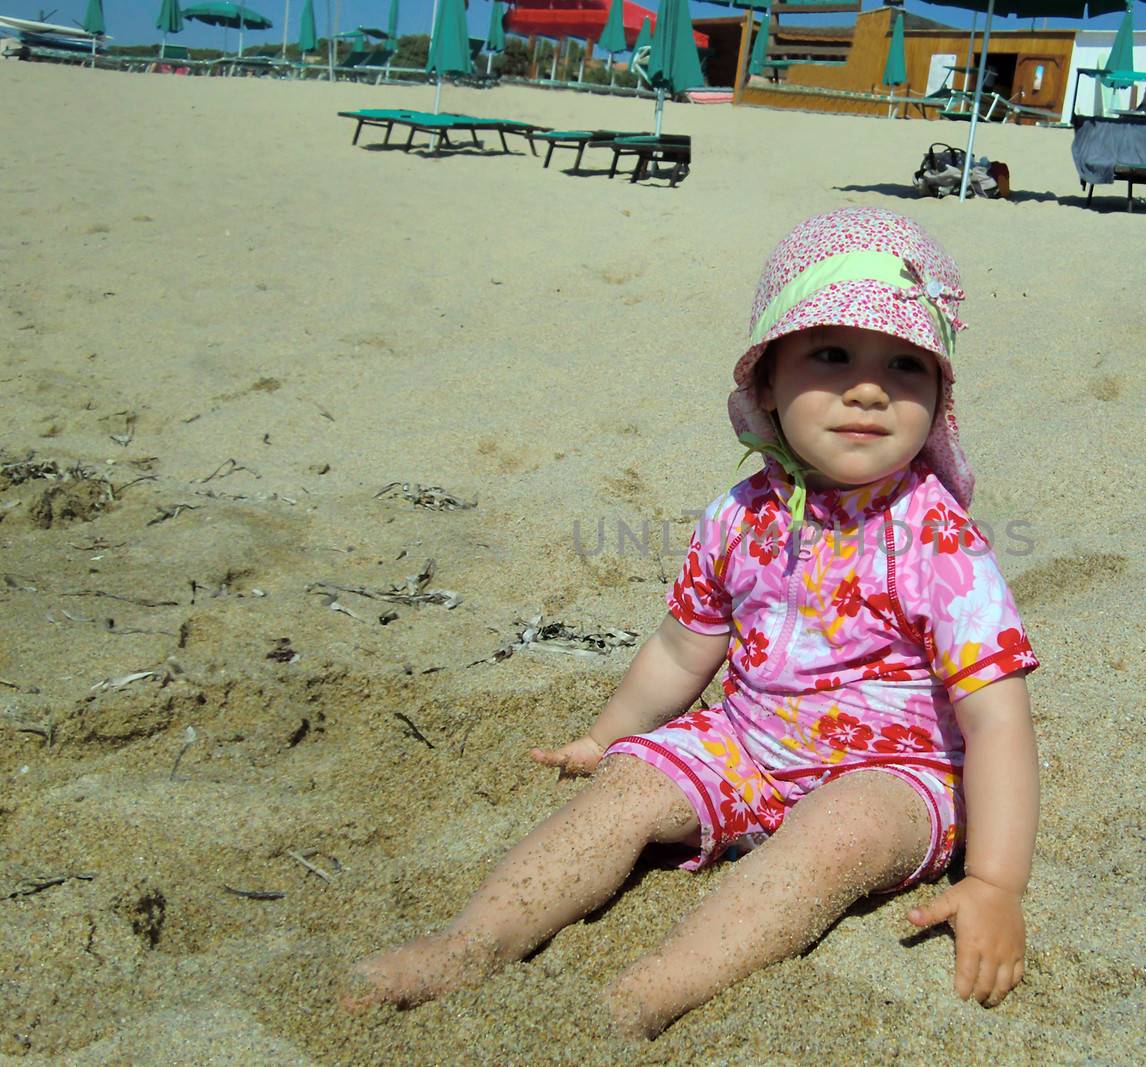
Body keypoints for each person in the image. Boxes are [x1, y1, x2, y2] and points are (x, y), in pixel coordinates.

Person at [340, 207, 1042, 1039]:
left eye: (905, 365)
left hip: (896, 771)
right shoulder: (740, 516)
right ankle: (470, 942)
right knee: (628, 787)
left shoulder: (940, 541)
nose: (868, 388)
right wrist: (608, 737)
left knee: (843, 831)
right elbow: (683, 647)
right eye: (829, 354)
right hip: (748, 741)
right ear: (768, 382)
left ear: (938, 396)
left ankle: (656, 987)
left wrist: (996, 884)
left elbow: (996, 719)